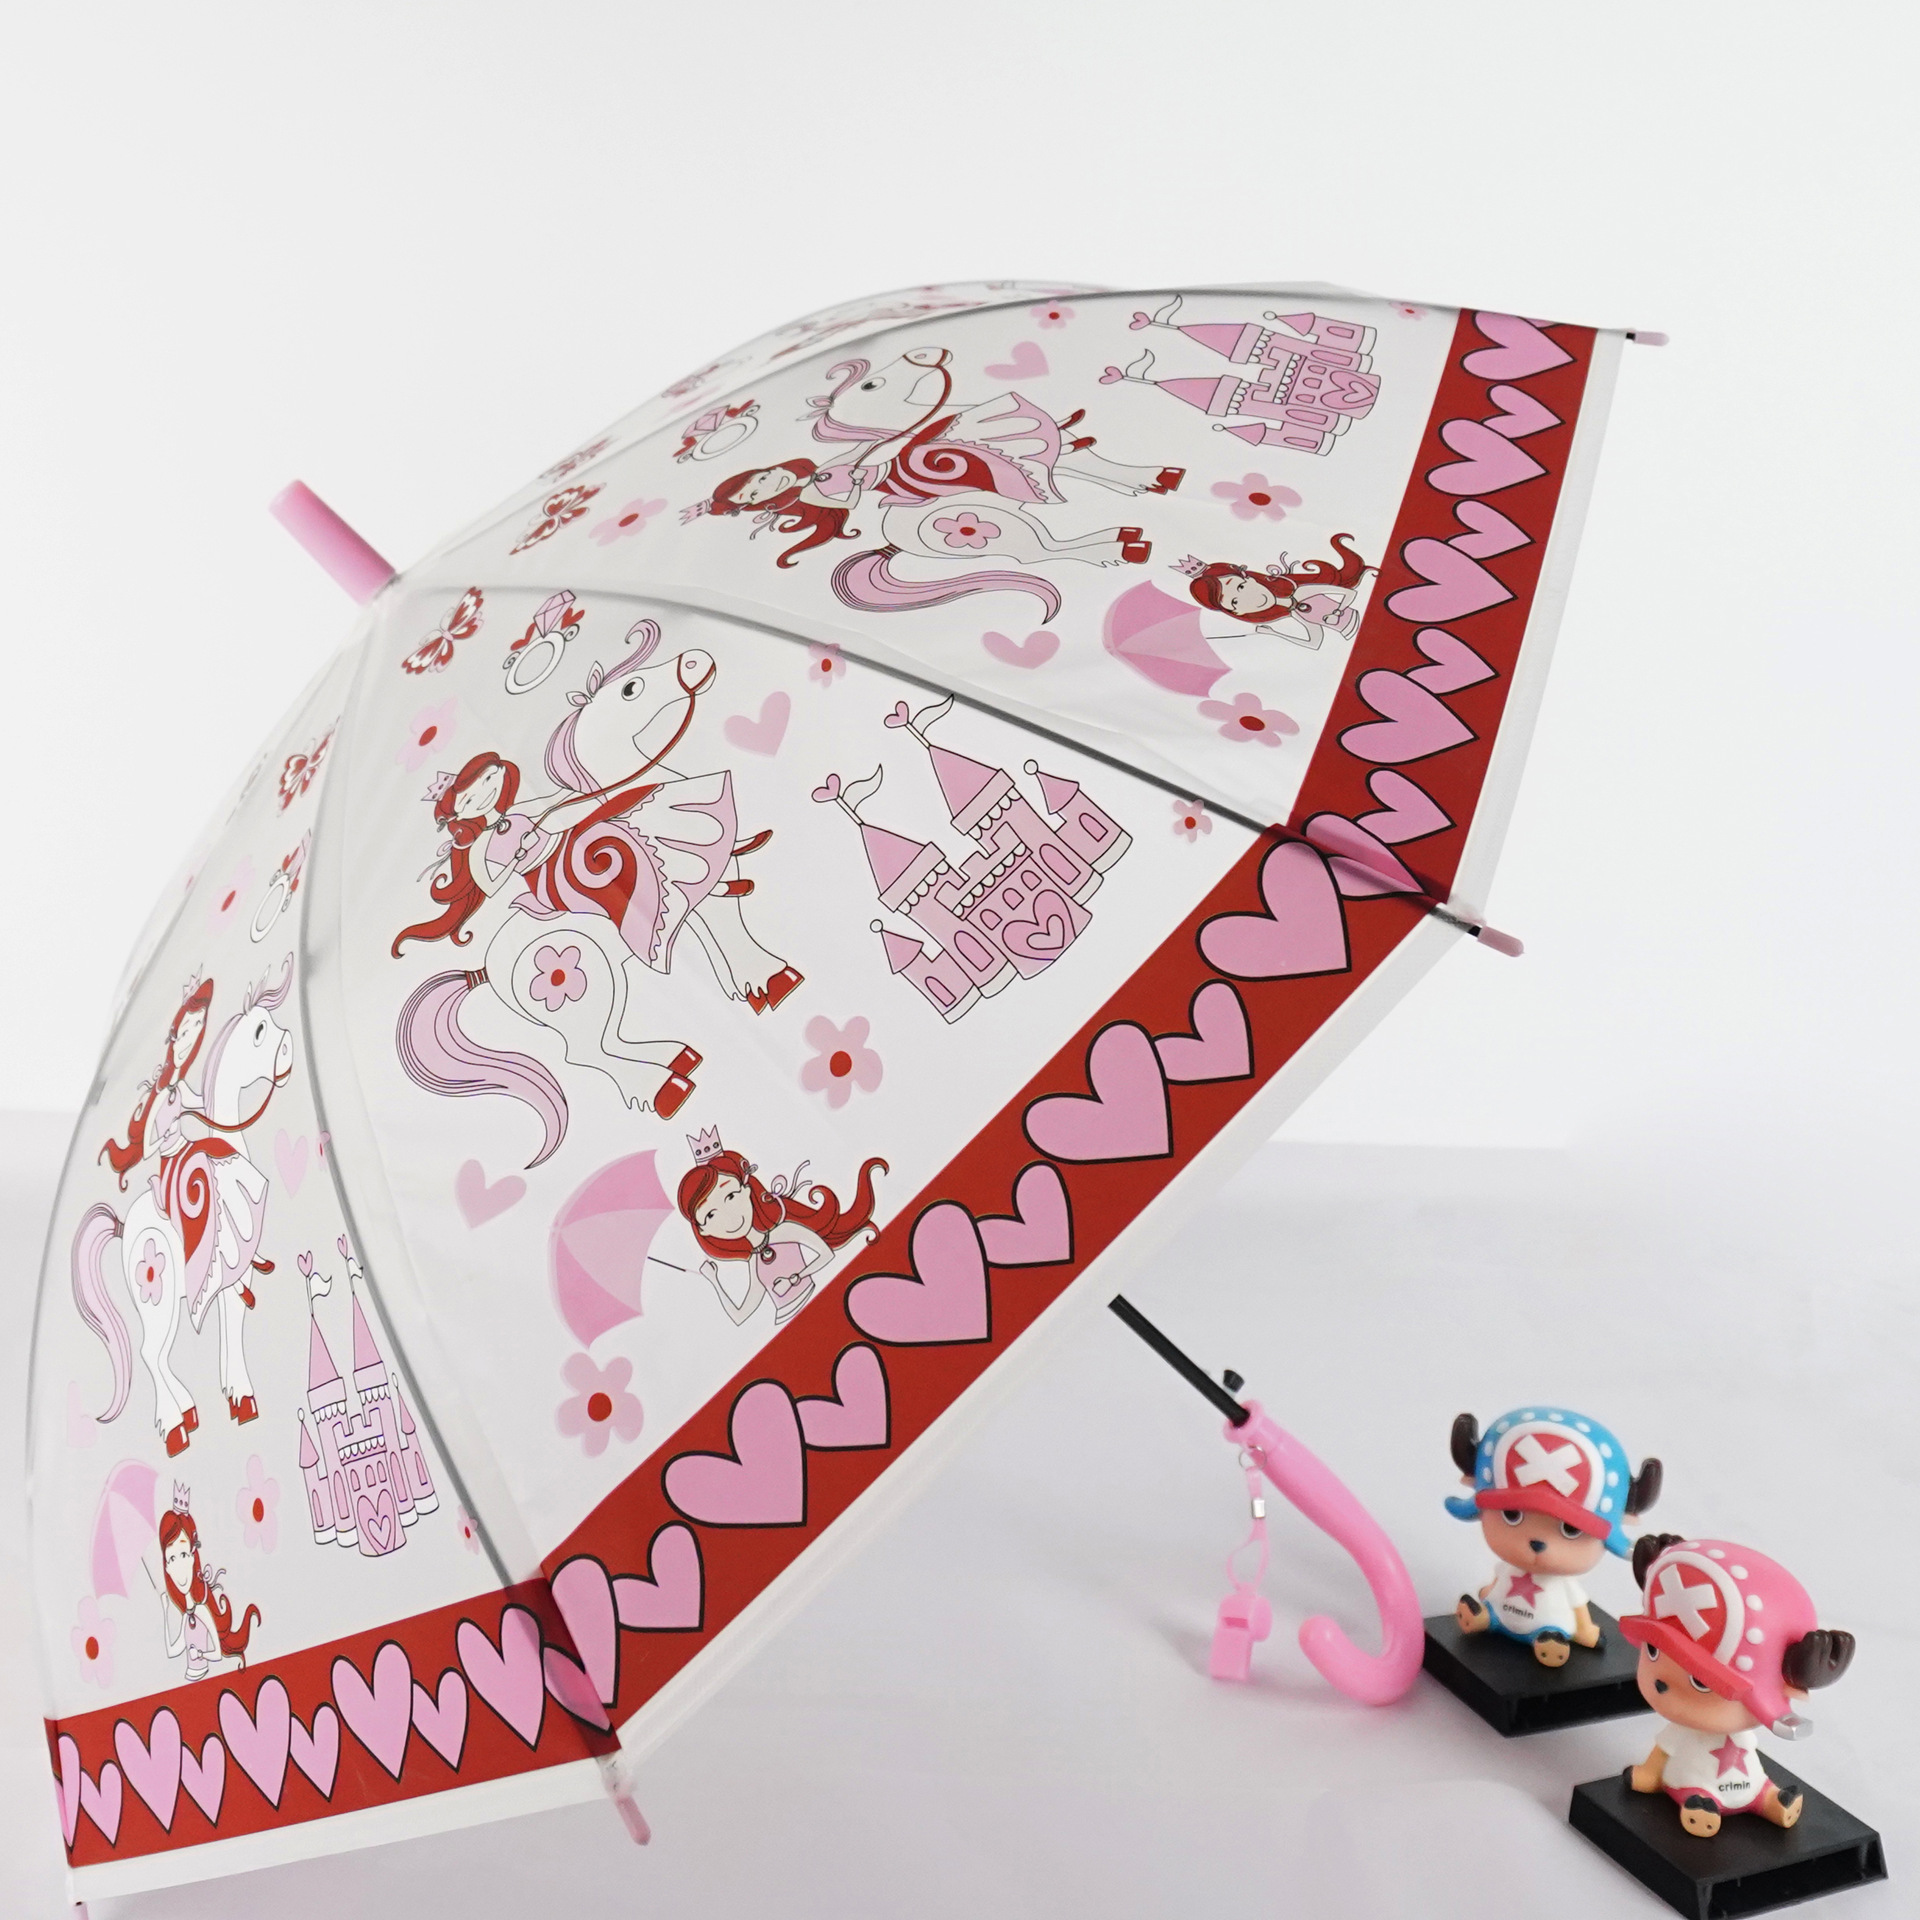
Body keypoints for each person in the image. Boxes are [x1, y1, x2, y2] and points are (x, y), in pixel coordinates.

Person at [677, 1128, 886, 1326]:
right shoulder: (754, 1262)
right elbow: (740, 1316)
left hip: (822, 1302)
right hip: (792, 1328)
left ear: (747, 1190)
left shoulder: (783, 1231)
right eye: (710, 1215)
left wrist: (795, 1278)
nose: (729, 1216)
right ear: (704, 1230)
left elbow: (826, 1254)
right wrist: (714, 1280)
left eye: (731, 1196)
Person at [158, 1488, 258, 1681]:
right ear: (167, 1568)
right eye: (171, 1559)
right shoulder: (186, 1617)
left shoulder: (202, 1610)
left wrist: (200, 1654)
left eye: (183, 1554)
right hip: (190, 1683)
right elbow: (172, 1651)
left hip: (204, 1677)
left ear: (193, 1556)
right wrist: (165, 1611)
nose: (178, 1566)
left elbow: (217, 1653)